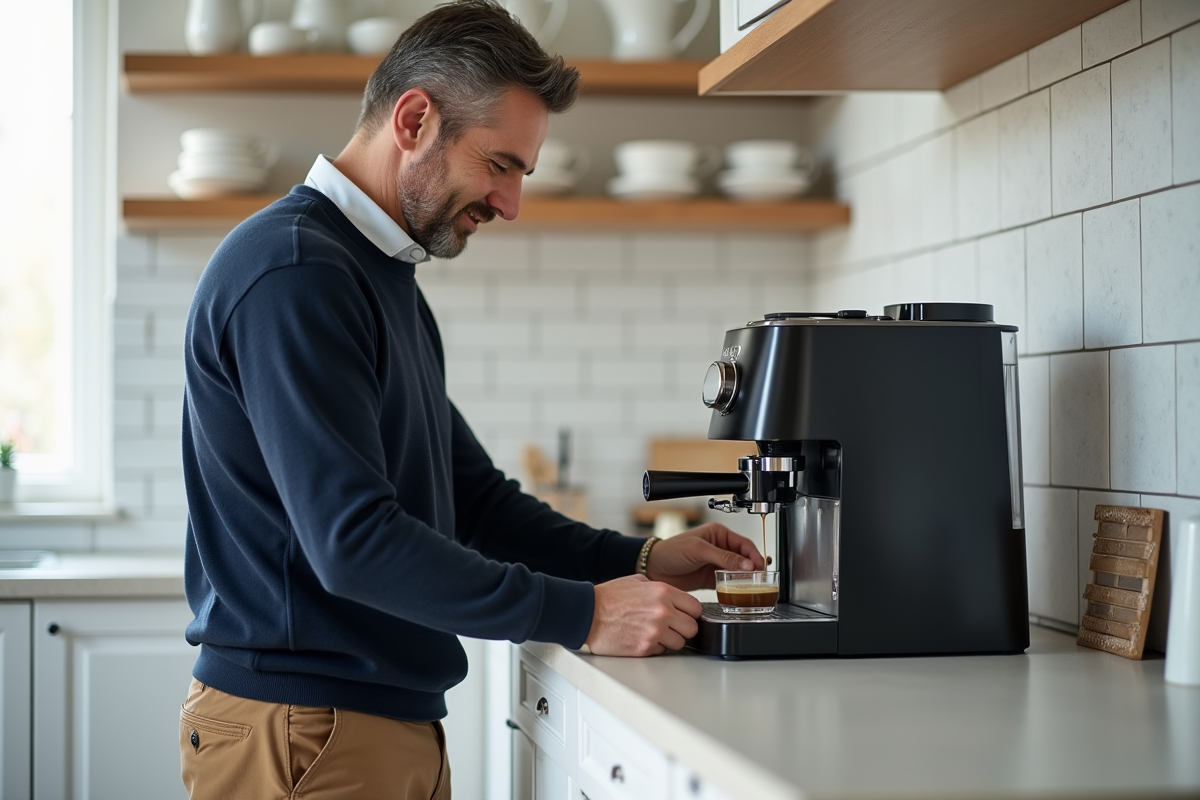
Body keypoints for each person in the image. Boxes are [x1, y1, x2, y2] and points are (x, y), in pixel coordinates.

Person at [177, 1, 763, 797]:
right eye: (500, 165)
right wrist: (586, 613)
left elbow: (474, 502)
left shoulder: (379, 278)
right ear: (414, 120)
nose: (511, 203)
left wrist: (639, 559)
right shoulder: (297, 273)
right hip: (305, 727)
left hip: (361, 723)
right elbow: (354, 543)